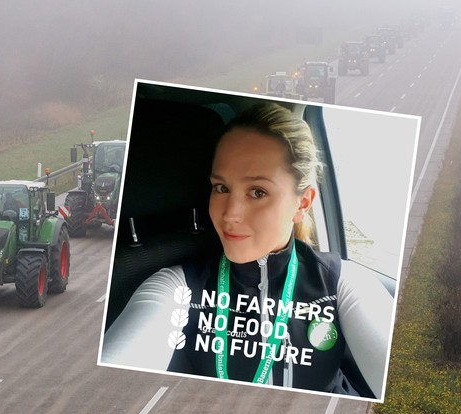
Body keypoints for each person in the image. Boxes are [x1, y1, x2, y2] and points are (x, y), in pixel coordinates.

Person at [100, 102, 392, 399]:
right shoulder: (180, 287)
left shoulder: (340, 284)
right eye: (222, 188)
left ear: (302, 204)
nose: (230, 215)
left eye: (258, 192)